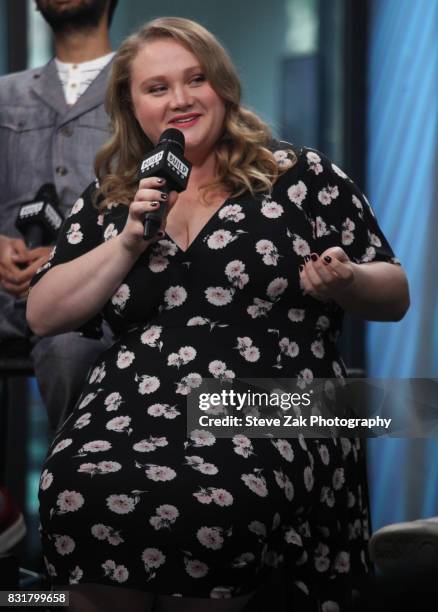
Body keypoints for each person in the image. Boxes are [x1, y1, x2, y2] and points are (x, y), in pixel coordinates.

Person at [26, 16, 410, 612]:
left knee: (213, 498)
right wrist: (128, 240)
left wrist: (348, 279)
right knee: (78, 487)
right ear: (132, 107)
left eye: (195, 79)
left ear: (223, 87)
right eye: (157, 88)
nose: (180, 100)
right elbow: (44, 315)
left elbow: (395, 293)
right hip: (132, 403)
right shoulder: (115, 195)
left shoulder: (299, 176)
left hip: (272, 395)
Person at [0, 0, 118, 435]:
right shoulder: (4, 95)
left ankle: (80, 488)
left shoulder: (140, 90)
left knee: (71, 352)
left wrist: (71, 259)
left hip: (88, 304)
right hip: (4, 294)